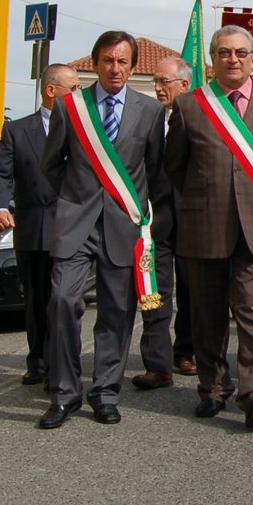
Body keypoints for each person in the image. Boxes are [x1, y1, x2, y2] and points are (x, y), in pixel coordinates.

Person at [166, 25, 253, 430]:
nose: (233, 59)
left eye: (240, 53)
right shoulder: (189, 106)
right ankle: (213, 388)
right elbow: (176, 165)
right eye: (224, 53)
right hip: (205, 226)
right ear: (212, 59)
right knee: (207, 314)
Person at [38, 31, 167, 429]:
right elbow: (51, 164)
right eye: (108, 60)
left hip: (122, 224)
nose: (115, 69)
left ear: (132, 66)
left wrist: (139, 214)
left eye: (123, 62)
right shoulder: (70, 108)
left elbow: (155, 171)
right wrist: (74, 199)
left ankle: (105, 393)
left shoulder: (149, 111)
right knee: (62, 301)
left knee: (117, 311)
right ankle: (64, 393)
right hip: (75, 223)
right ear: (94, 63)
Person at [0, 63, 79, 388]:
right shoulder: (17, 130)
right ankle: (38, 361)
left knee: (65, 300)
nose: (78, 95)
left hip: (73, 227)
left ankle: (63, 364)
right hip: (35, 227)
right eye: (73, 89)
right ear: (51, 91)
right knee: (38, 300)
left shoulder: (83, 128)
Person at [132, 54, 193, 391]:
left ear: (184, 84)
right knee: (153, 294)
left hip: (193, 221)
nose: (156, 88)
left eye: (163, 82)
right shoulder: (148, 119)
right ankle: (157, 364)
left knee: (192, 292)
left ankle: (186, 351)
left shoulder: (201, 117)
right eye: (154, 81)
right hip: (153, 224)